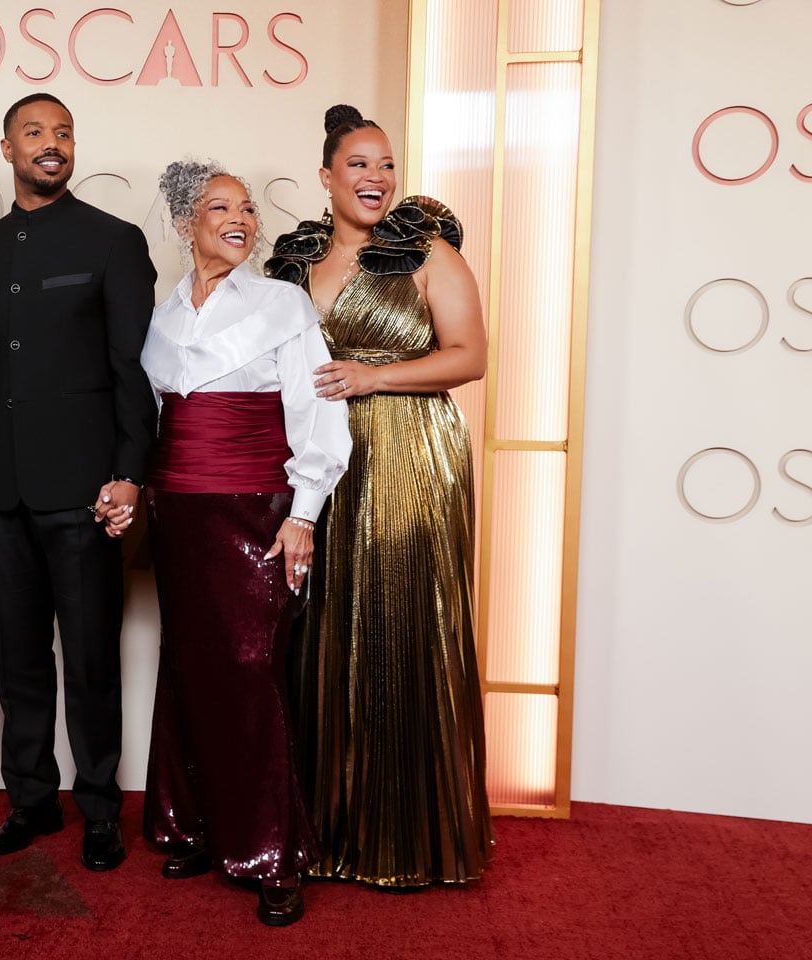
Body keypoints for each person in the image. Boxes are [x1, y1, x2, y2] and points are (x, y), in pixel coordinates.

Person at [265, 103, 494, 888]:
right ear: (326, 177)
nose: (376, 177)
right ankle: (322, 828)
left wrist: (374, 376)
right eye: (358, 164)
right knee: (319, 630)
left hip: (410, 457)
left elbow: (470, 356)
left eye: (387, 164)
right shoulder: (291, 262)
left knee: (398, 622)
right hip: (314, 465)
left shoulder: (425, 250)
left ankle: (407, 835)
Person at [140, 160, 351, 926]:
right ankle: (198, 825)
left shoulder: (281, 302)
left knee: (252, 668)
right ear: (182, 222)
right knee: (191, 668)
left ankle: (272, 852)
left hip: (258, 514)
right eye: (221, 208)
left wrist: (304, 513)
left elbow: (319, 411)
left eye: (249, 208)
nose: (241, 219)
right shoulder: (160, 313)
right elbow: (154, 418)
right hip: (179, 516)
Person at [0, 93, 158, 872]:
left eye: (62, 133)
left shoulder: (113, 240)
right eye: (34, 133)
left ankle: (99, 808)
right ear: (6, 148)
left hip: (86, 490)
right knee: (19, 660)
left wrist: (130, 473)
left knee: (92, 657)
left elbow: (133, 373)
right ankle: (30, 802)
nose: (51, 144)